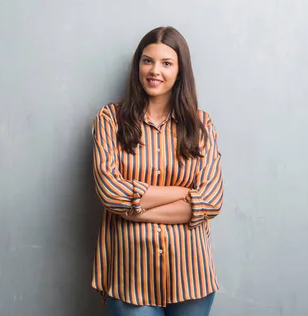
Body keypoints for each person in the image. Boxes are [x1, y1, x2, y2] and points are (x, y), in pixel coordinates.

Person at [90, 26, 224, 316]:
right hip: (131, 277)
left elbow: (212, 200)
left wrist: (133, 209)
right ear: (138, 65)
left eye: (166, 63)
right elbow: (112, 195)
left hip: (192, 275)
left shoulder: (201, 125)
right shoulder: (110, 120)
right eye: (147, 60)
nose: (155, 71)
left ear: (179, 71)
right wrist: (183, 194)